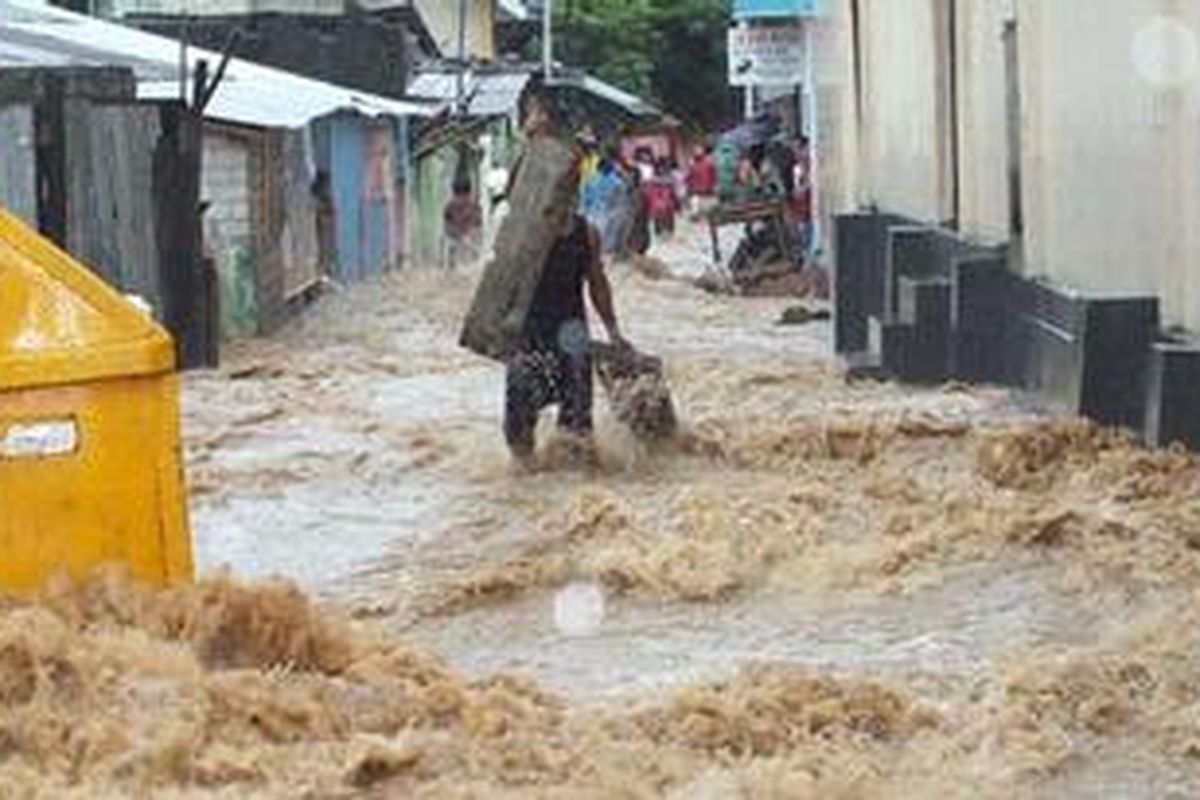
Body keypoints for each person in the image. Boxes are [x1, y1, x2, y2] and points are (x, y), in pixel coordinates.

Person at [504, 192, 628, 467]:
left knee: (577, 434)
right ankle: (525, 482)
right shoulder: (525, 232)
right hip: (530, 332)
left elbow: (597, 283)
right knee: (518, 429)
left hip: (572, 335)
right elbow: (502, 279)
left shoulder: (586, 233)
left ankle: (572, 487)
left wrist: (613, 331)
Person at [443, 177, 483, 269]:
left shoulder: (450, 206)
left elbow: (447, 226)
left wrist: (460, 236)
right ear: (469, 190)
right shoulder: (474, 205)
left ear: (453, 191)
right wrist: (466, 236)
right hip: (468, 244)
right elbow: (478, 224)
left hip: (459, 243)